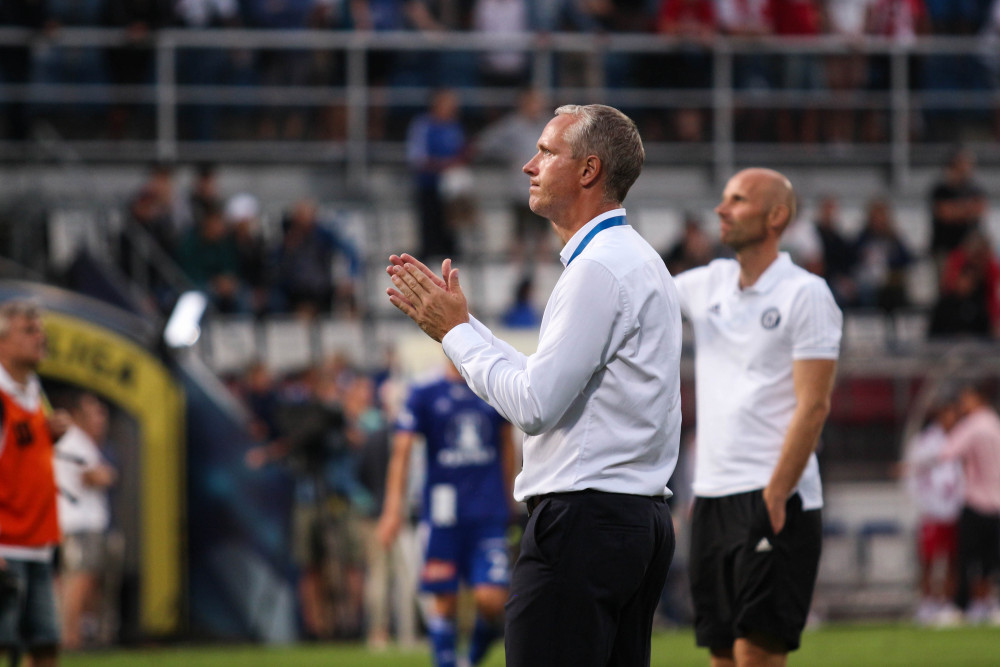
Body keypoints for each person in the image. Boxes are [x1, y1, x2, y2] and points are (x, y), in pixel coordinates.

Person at [386, 104, 681, 667]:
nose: (529, 165)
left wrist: (454, 335)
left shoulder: (597, 270)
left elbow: (534, 404)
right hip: (630, 520)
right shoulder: (633, 259)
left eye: (546, 152)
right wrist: (463, 326)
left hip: (584, 525)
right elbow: (541, 379)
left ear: (589, 170)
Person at [673, 168, 842, 666]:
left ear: (776, 216)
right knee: (723, 655)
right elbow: (636, 292)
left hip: (773, 495)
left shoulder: (806, 294)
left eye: (738, 200)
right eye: (724, 198)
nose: (722, 209)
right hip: (710, 498)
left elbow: (814, 404)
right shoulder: (707, 284)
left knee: (756, 655)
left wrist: (777, 492)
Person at [376, 361, 515, 666]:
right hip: (443, 516)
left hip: (488, 513)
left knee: (491, 600)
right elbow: (402, 451)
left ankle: (470, 660)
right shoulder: (425, 391)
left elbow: (507, 444)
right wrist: (392, 510)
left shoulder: (492, 385)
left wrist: (511, 497)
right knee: (444, 600)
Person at [0, 301, 70, 667]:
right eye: (28, 330)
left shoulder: (31, 391)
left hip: (38, 543)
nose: (40, 337)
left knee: (45, 646)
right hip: (6, 544)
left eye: (40, 329)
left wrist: (50, 436)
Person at [53, 392, 117, 650]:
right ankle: (69, 637)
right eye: (93, 413)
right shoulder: (74, 440)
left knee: (86, 581)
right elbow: (91, 477)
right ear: (78, 416)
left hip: (84, 522)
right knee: (78, 581)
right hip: (78, 522)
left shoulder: (85, 442)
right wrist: (107, 474)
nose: (100, 419)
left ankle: (77, 633)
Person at [899, 399, 964, 626]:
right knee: (928, 561)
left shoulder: (960, 439)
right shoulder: (924, 442)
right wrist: (920, 504)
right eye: (948, 414)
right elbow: (911, 473)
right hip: (931, 511)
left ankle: (946, 603)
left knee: (951, 560)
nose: (952, 419)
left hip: (954, 509)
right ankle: (927, 603)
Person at [940, 382, 1000, 624]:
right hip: (997, 505)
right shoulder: (995, 424)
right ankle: (991, 606)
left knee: (965, 560)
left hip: (976, 503)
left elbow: (947, 452)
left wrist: (950, 426)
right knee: (992, 562)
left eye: (966, 399)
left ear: (978, 399)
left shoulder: (972, 426)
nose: (962, 404)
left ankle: (960, 607)